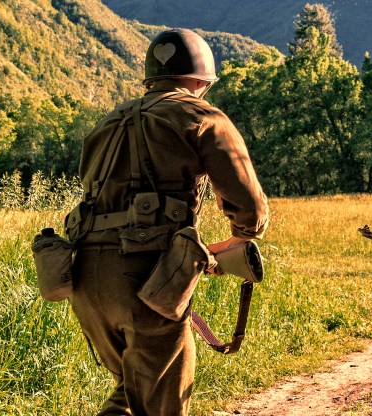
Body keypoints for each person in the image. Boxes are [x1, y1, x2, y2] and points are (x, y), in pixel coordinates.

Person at [65, 28, 268, 415]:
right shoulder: (202, 115)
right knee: (163, 403)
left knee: (133, 391)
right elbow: (250, 210)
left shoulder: (106, 123)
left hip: (84, 281)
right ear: (200, 81)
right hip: (150, 281)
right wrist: (238, 242)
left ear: (151, 80)